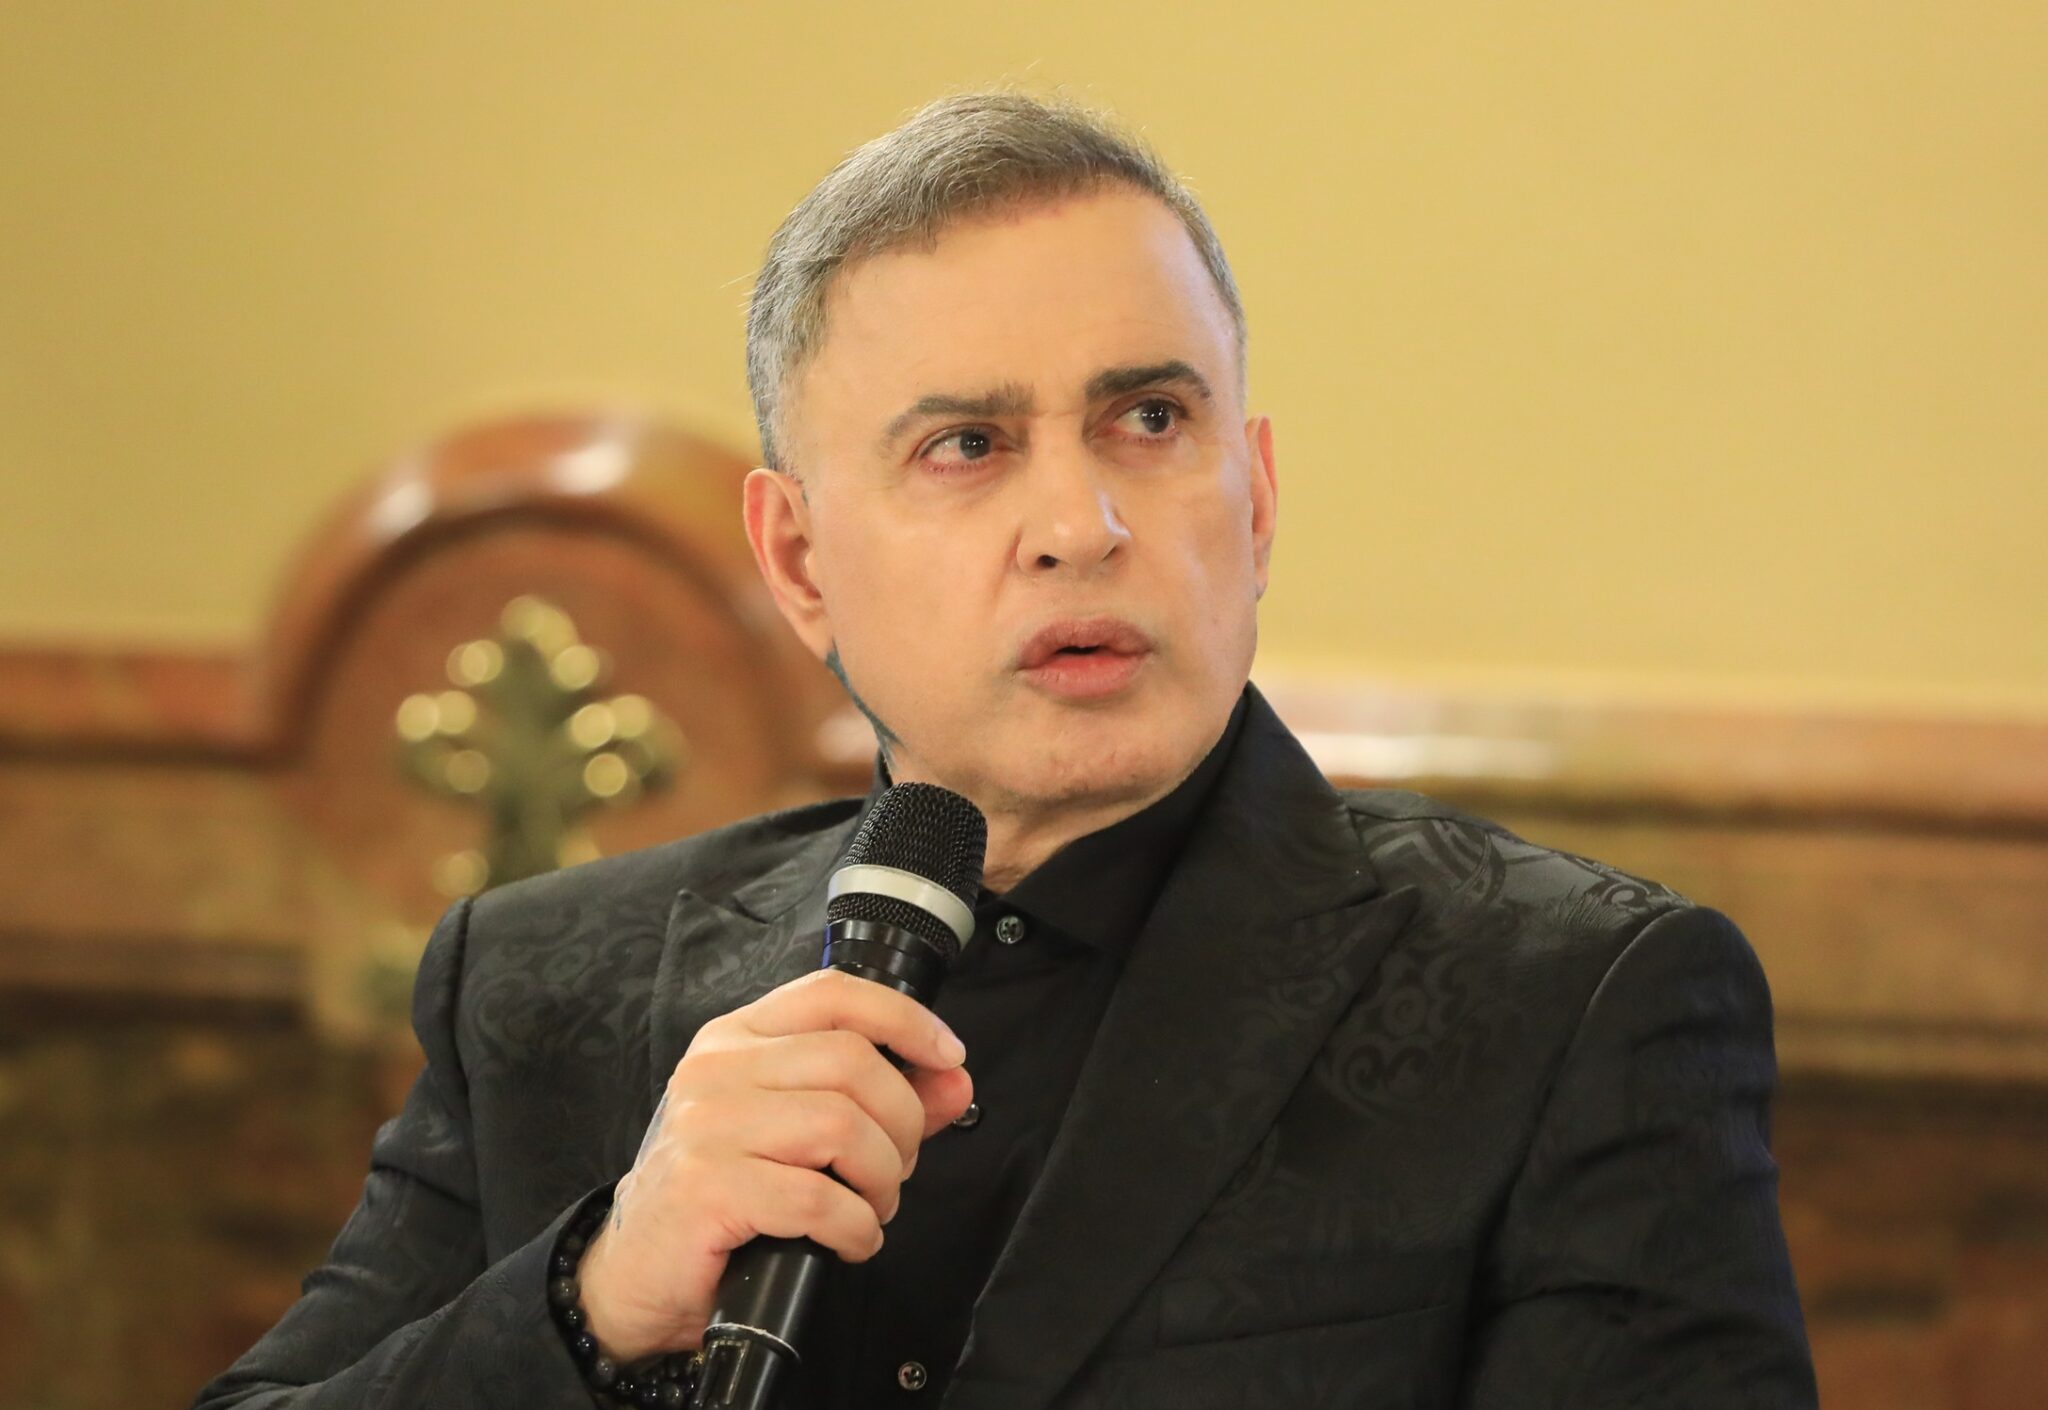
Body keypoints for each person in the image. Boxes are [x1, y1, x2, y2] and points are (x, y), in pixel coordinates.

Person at [195, 92, 1817, 1409]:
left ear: (1255, 499)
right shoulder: (542, 989)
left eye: (1150, 421)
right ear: (800, 560)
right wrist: (600, 1296)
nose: (1080, 523)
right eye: (967, 444)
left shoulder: (1575, 1004)